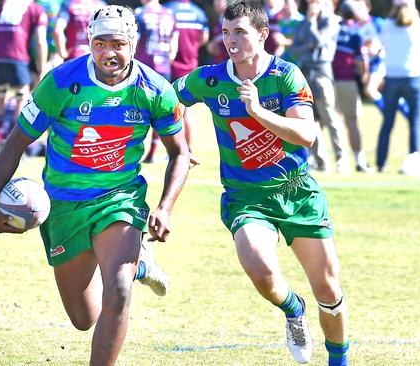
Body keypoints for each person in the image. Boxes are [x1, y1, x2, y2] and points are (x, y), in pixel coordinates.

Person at [0, 6, 191, 365]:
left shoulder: (155, 90)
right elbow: (16, 142)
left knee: (119, 292)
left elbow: (180, 153)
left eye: (119, 44)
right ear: (90, 44)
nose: (109, 52)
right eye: (100, 43)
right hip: (63, 204)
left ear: (134, 44)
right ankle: (138, 264)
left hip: (119, 198)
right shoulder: (61, 82)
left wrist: (164, 207)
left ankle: (129, 263)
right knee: (84, 318)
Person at [173, 1, 349, 364]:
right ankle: (292, 308)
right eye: (225, 32)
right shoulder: (210, 78)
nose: (231, 41)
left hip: (296, 192)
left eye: (240, 32)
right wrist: (177, 143)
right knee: (260, 270)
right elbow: (161, 99)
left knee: (329, 290)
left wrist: (258, 112)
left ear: (263, 34)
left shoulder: (286, 75)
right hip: (246, 197)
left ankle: (338, 360)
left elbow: (306, 134)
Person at [377, 0, 420, 176]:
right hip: (413, 78)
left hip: (392, 78)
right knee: (415, 121)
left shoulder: (387, 25)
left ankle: (381, 163)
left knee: (387, 122)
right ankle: (414, 163)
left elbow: (381, 49)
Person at [291, 0, 349, 174]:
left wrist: (312, 22)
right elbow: (294, 50)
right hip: (305, 75)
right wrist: (307, 40)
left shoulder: (330, 22)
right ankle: (320, 160)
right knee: (310, 119)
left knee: (330, 117)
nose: (312, 5)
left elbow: (317, 41)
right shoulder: (302, 23)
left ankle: (341, 160)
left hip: (321, 74)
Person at [0, 0, 48, 155]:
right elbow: (40, 40)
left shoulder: (3, 6)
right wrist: (42, 67)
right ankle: (16, 146)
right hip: (16, 58)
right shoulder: (36, 8)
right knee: (21, 98)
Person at [134, 0, 178, 163]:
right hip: (163, 67)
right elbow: (174, 48)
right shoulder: (169, 14)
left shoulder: (140, 12)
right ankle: (153, 152)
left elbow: (134, 42)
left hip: (143, 68)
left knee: (134, 107)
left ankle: (131, 149)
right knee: (159, 111)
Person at [164, 0, 209, 158]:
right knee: (187, 112)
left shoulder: (168, 10)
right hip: (191, 65)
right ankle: (188, 148)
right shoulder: (199, 13)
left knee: (172, 110)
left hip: (172, 65)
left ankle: (178, 149)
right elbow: (204, 38)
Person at [331, 0, 371, 173]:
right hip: (348, 81)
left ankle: (333, 160)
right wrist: (363, 78)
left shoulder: (331, 28)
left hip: (329, 80)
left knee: (329, 122)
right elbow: (361, 61)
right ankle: (359, 160)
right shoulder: (356, 32)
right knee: (352, 122)